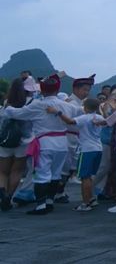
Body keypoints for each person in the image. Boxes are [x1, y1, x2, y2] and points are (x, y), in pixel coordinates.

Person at [2, 74, 72, 215]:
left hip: (45, 142)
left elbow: (17, 114)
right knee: (55, 173)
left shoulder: (38, 105)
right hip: (62, 142)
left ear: (43, 90)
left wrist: (7, 108)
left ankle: (41, 205)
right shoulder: (67, 106)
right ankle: (50, 201)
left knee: (41, 173)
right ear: (57, 90)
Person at [47, 98, 105, 211]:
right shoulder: (100, 117)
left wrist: (57, 112)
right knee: (89, 177)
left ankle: (85, 203)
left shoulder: (85, 117)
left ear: (86, 107)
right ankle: (91, 199)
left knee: (84, 177)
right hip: (98, 148)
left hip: (87, 149)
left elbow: (70, 121)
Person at [0, 78, 32, 211]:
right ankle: (9, 196)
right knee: (17, 171)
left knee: (3, 171)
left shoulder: (7, 102)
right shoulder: (30, 102)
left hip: (5, 140)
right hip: (23, 141)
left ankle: (2, 192)